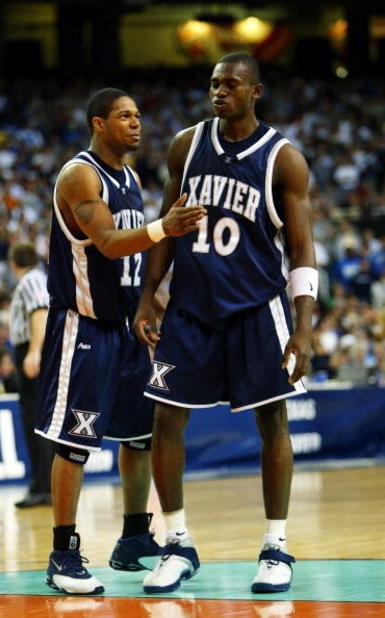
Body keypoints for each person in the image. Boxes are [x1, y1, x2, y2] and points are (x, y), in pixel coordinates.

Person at [133, 53, 318, 595]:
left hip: (257, 309)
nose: (219, 91)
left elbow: (302, 249)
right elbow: (166, 229)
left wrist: (303, 327)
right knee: (165, 422)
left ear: (255, 91)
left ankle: (276, 547)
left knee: (272, 424)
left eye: (231, 84)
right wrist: (148, 295)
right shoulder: (186, 146)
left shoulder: (283, 159)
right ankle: (178, 544)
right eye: (214, 83)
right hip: (191, 308)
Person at [34, 87, 206, 595]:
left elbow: (131, 259)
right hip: (83, 326)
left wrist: (149, 302)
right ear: (98, 124)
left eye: (138, 116)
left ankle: (134, 537)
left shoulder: (129, 176)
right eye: (124, 117)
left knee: (141, 433)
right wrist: (163, 227)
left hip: (127, 326)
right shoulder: (80, 174)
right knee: (75, 441)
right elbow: (109, 244)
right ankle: (62, 555)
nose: (136, 124)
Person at [8, 241, 55, 508]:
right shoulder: (36, 277)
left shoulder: (30, 280)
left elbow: (40, 312)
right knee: (35, 420)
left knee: (37, 421)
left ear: (14, 263)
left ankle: (44, 488)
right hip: (32, 349)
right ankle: (41, 486)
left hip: (33, 349)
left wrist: (34, 351)